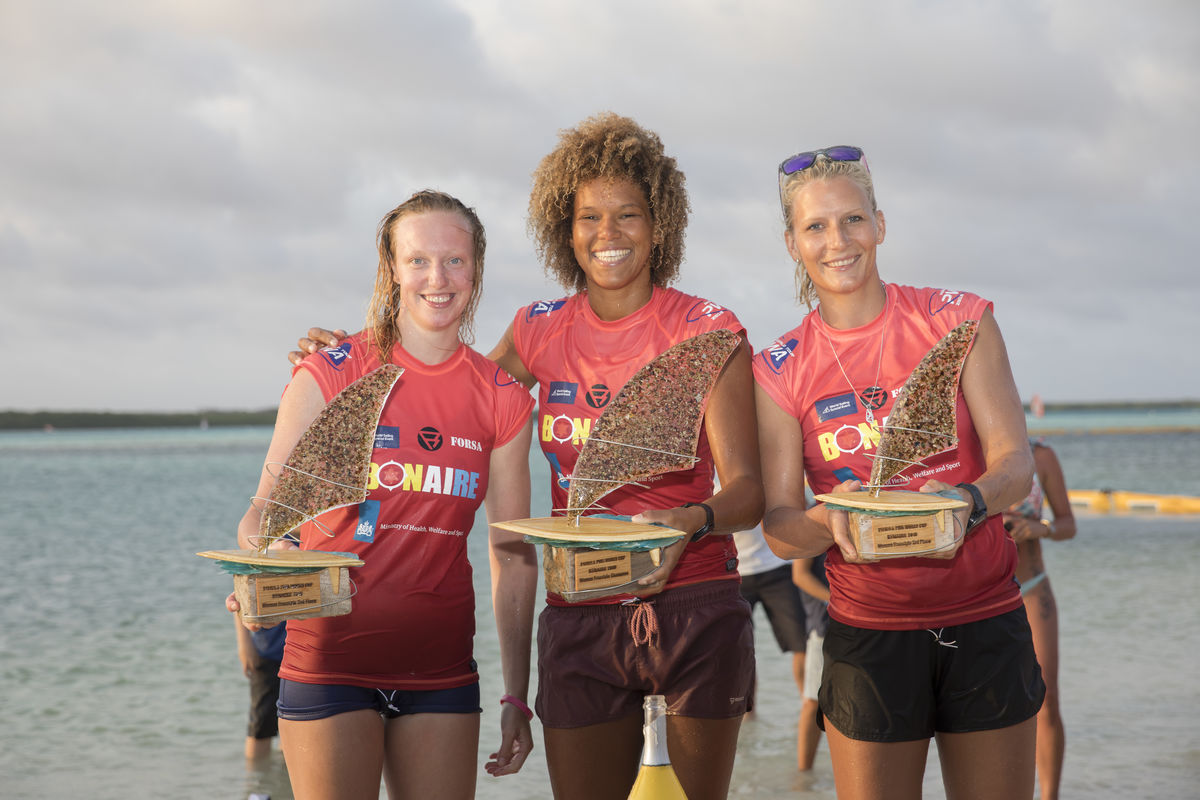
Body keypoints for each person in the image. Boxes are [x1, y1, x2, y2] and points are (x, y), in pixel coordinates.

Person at [294, 113, 763, 800]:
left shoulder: (707, 329)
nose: (608, 235)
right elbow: (442, 390)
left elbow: (749, 492)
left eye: (628, 215)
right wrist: (347, 359)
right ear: (563, 229)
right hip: (578, 608)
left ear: (659, 222)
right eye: (589, 218)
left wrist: (686, 521)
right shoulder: (538, 329)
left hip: (693, 598)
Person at [754, 146, 1045, 800]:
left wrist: (965, 500)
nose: (838, 240)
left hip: (984, 617)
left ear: (880, 225)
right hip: (868, 635)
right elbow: (778, 529)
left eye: (852, 220)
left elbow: (1015, 463)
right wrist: (827, 522)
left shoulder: (957, 319)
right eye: (816, 227)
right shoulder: (778, 367)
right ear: (792, 242)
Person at [229, 190, 538, 800]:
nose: (437, 278)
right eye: (418, 260)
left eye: (454, 260)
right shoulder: (331, 373)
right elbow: (264, 512)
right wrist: (264, 566)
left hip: (442, 671)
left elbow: (512, 555)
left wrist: (515, 696)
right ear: (391, 269)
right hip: (328, 662)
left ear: (476, 269)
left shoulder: (501, 396)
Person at [1003, 439, 1076, 800]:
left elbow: (1068, 524)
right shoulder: (966, 451)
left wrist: (1040, 528)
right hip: (979, 596)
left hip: (1031, 588)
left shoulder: (1041, 455)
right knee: (987, 708)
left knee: (1046, 701)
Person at [733, 523, 811, 769]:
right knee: (741, 651)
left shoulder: (768, 481)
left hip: (777, 566)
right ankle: (749, 716)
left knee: (802, 643)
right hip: (735, 572)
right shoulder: (708, 482)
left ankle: (807, 704)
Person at [791, 553, 829, 772]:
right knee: (813, 701)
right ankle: (803, 775)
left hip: (862, 620)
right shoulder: (812, 519)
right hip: (823, 623)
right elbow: (800, 575)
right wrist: (838, 599)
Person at [236, 617, 286, 761]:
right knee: (261, 725)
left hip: (308, 650)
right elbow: (239, 595)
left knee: (296, 723)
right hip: (268, 650)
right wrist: (244, 643)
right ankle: (255, 780)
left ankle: (281, 779)